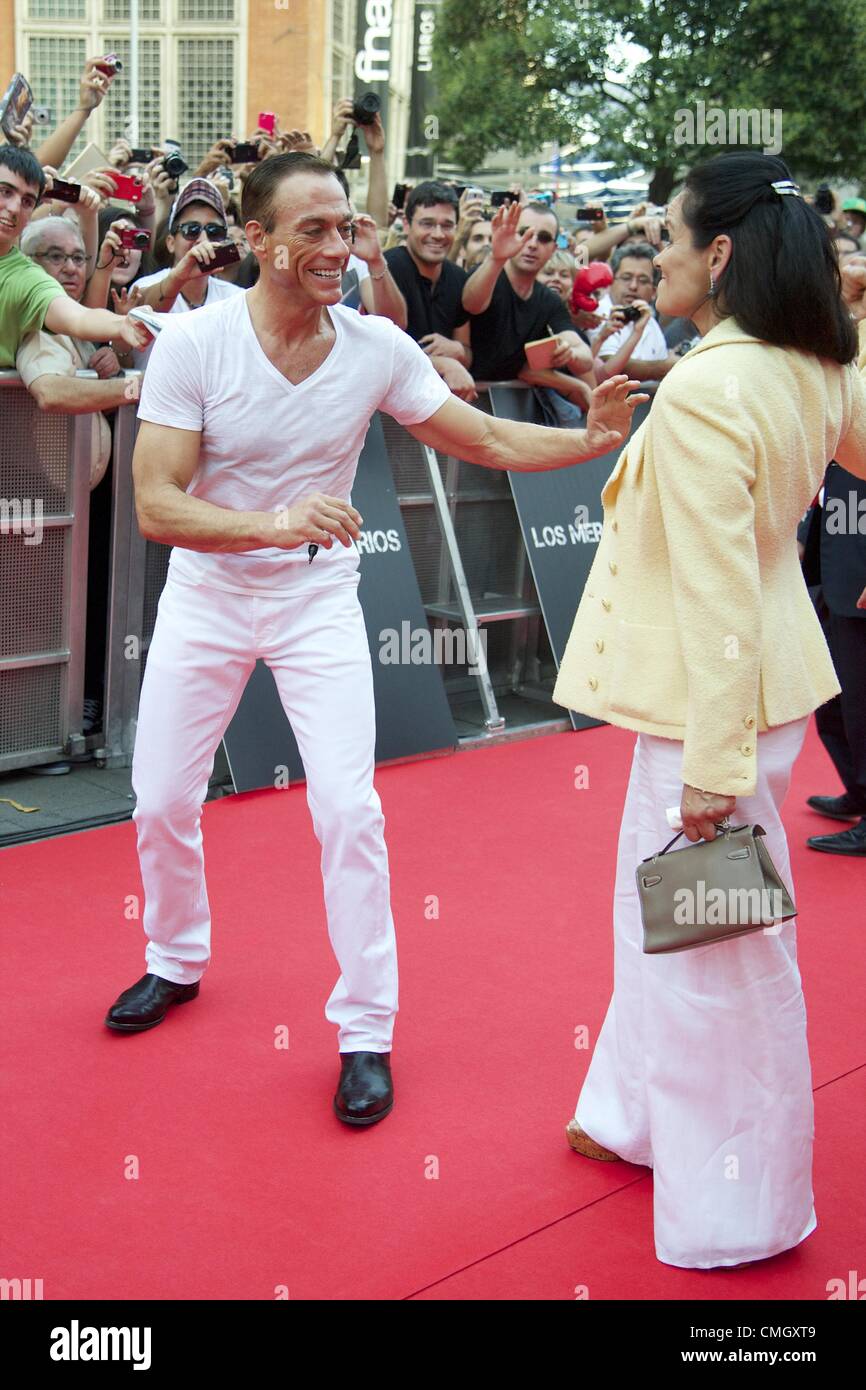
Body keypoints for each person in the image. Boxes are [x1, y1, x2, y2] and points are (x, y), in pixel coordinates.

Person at [102, 151, 646, 1130]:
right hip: (208, 594)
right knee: (159, 800)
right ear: (257, 241)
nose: (335, 246)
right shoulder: (192, 344)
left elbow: (477, 439)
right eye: (309, 229)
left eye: (345, 226)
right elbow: (154, 503)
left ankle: (364, 1029)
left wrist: (583, 441)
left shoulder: (376, 347)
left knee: (349, 812)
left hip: (315, 603)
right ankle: (174, 960)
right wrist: (273, 524)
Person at [552, 151, 866, 1269]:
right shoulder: (808, 362)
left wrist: (710, 769)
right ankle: (631, 1118)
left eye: (669, 239)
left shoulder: (706, 387)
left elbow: (716, 588)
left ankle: (740, 1209)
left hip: (710, 712)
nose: (653, 258)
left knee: (716, 965)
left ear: (718, 253)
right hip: (754, 694)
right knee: (670, 933)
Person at [0, 145, 148, 368]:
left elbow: (77, 317)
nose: (14, 208)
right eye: (5, 192)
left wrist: (123, 323)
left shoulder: (25, 276)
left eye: (28, 201)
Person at [462, 200, 594, 414]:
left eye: (543, 238)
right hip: (463, 403)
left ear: (553, 248)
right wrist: (497, 258)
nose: (532, 243)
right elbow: (471, 304)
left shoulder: (548, 301)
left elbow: (585, 359)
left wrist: (570, 354)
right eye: (524, 233)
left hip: (506, 410)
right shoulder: (487, 274)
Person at [799, 462, 866, 854]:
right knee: (834, 703)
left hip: (858, 575)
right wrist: (806, 536)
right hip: (830, 570)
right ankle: (859, 792)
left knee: (862, 705)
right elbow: (826, 484)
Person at [383, 181, 476, 400]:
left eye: (447, 225)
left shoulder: (458, 277)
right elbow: (380, 352)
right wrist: (443, 364)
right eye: (427, 224)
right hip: (389, 409)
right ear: (406, 225)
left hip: (439, 410)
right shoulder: (389, 267)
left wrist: (458, 350)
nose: (438, 234)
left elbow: (467, 352)